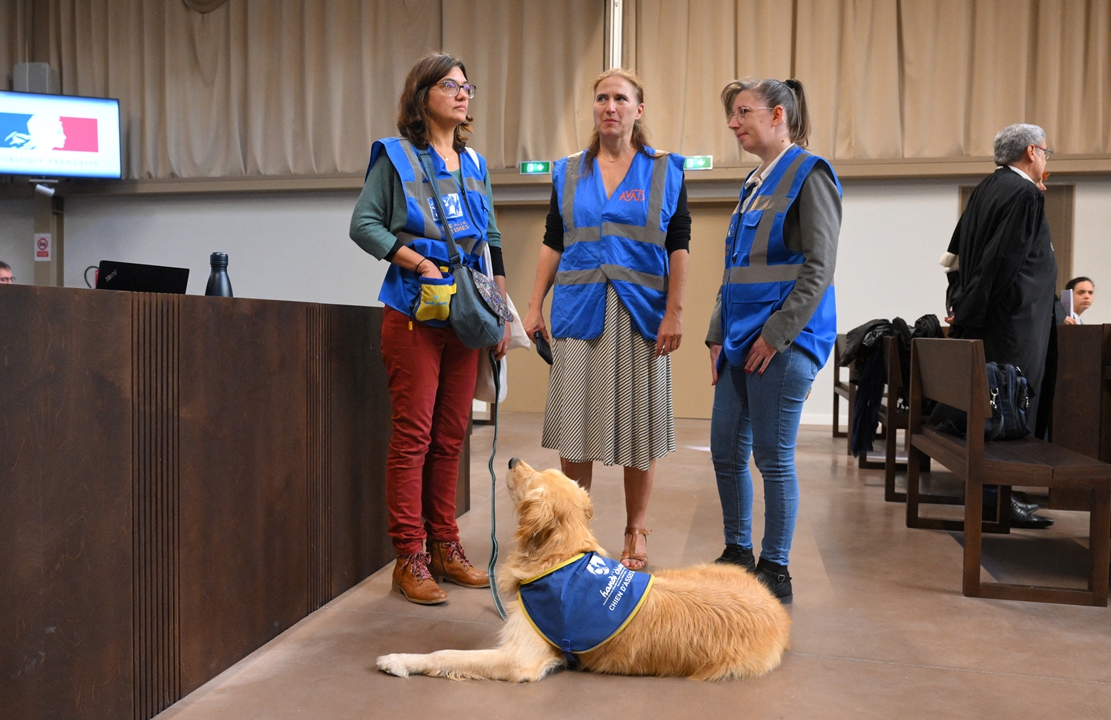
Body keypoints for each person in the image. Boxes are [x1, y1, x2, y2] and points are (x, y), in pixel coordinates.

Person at [349, 52, 510, 605]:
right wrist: (415, 262)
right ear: (423, 96)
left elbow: (489, 241)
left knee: (452, 438)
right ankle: (409, 556)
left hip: (466, 315)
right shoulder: (394, 158)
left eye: (468, 86)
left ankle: (446, 544)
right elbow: (363, 225)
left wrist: (499, 314)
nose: (463, 95)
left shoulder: (476, 164)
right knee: (414, 437)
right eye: (451, 86)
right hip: (414, 312)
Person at [521, 68, 690, 571]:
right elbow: (554, 238)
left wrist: (675, 313)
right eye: (601, 98)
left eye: (620, 98)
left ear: (639, 109)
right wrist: (534, 305)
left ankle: (636, 532)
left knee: (641, 432)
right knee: (576, 427)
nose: (609, 106)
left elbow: (678, 244)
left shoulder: (664, 170)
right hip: (579, 310)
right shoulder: (569, 171)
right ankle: (575, 534)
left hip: (642, 315)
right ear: (593, 109)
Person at [706, 78, 842, 604]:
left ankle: (776, 568)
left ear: (779, 114)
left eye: (743, 112)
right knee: (725, 449)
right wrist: (717, 334)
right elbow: (736, 269)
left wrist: (777, 334)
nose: (734, 123)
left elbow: (819, 267)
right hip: (739, 340)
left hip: (783, 341)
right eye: (732, 114)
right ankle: (738, 552)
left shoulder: (811, 173)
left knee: (773, 457)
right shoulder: (753, 182)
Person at [944, 123, 1056, 529]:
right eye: (1046, 152)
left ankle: (998, 496)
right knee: (1008, 410)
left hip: (992, 320)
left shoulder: (986, 189)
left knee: (995, 410)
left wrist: (957, 303)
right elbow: (1002, 263)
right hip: (1013, 324)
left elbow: (953, 256)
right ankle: (998, 500)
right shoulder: (1024, 194)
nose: (1047, 160)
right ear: (1031, 151)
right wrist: (971, 311)